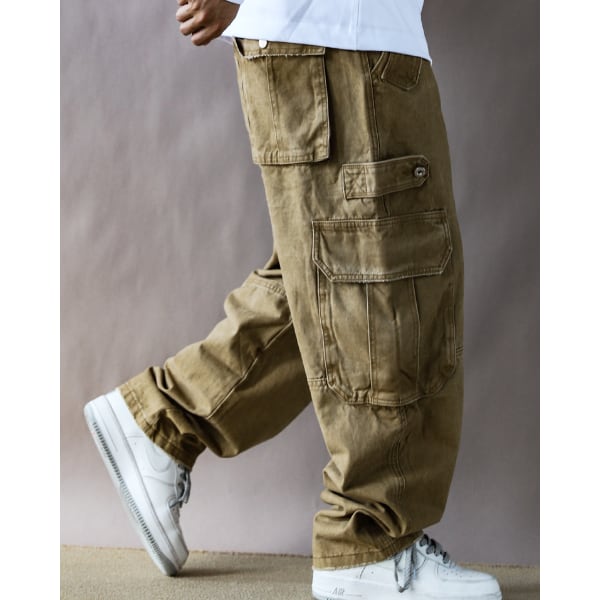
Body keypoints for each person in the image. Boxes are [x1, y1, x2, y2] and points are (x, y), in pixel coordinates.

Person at [83, 1, 503, 599]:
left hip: (345, 39)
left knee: (336, 281)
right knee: (381, 291)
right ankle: (367, 545)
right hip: (339, 39)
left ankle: (162, 420)